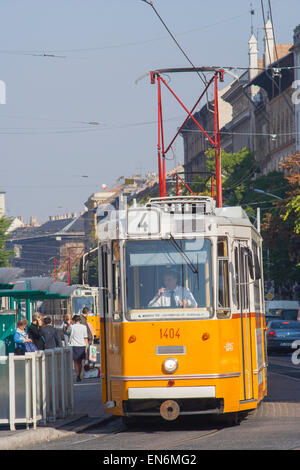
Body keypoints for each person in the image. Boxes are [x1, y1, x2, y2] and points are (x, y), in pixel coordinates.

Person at [69, 314, 89, 382]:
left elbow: (67, 332)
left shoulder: (72, 327)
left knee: (75, 361)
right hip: (82, 345)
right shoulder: (84, 327)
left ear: (74, 320)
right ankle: (79, 374)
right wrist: (87, 346)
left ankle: (77, 374)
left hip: (74, 345)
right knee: (80, 362)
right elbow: (85, 337)